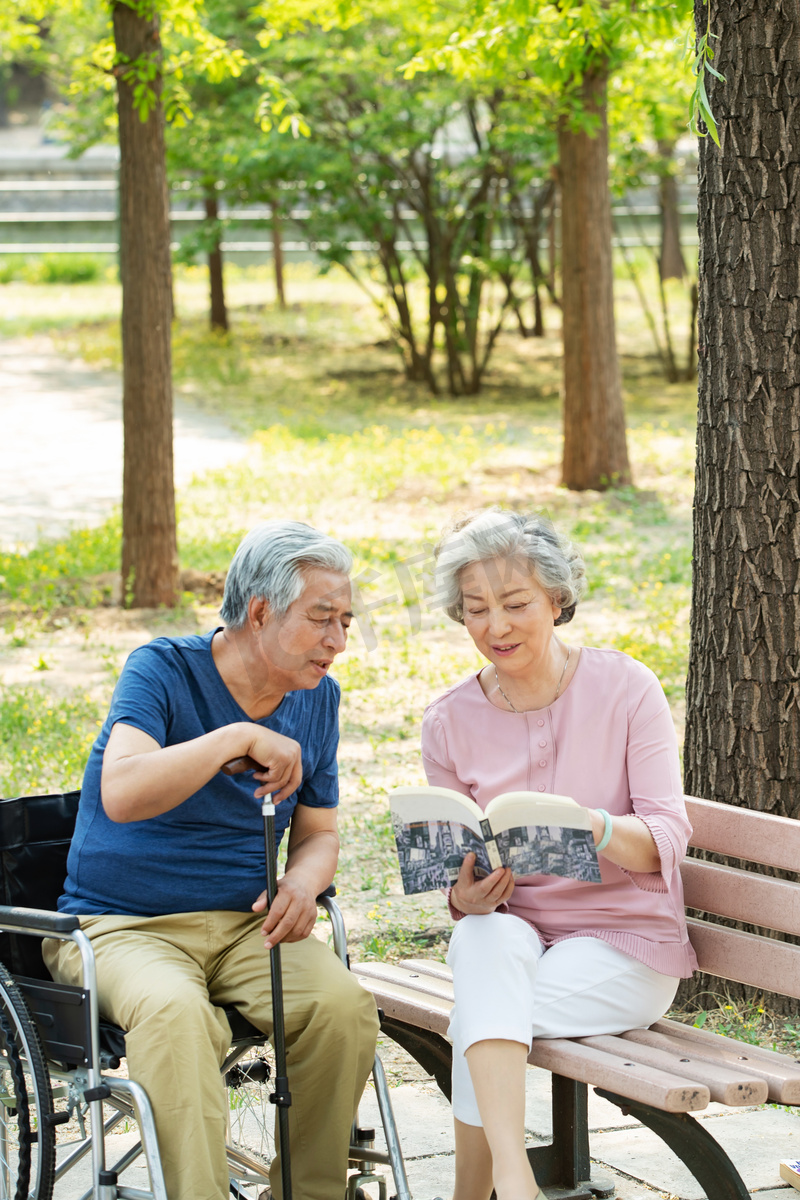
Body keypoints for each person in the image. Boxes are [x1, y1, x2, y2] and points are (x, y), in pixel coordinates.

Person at [43, 520, 380, 1200]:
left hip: (245, 926)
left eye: (345, 622)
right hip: (120, 927)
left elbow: (318, 831)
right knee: (176, 1013)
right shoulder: (163, 670)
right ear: (260, 612)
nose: (339, 642)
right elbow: (122, 791)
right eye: (322, 619)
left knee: (342, 1008)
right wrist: (235, 737)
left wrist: (303, 881)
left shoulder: (318, 700)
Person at [421, 509, 697, 1200]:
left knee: (479, 1013)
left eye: (515, 604)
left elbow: (667, 836)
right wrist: (464, 896)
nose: (496, 626)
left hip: (625, 944)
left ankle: (484, 1190)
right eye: (476, 609)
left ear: (556, 598)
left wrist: (594, 826)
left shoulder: (627, 688)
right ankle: (513, 1182)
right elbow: (456, 877)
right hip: (514, 936)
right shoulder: (448, 721)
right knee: (482, 940)